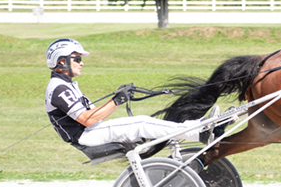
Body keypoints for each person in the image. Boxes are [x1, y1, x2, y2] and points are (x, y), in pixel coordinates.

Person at [44, 38, 204, 149]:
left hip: (92, 131)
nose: (82, 63)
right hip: (87, 135)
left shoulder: (64, 85)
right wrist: (117, 100)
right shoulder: (59, 89)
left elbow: (92, 115)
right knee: (141, 123)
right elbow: (88, 119)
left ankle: (196, 126)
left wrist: (117, 98)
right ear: (62, 61)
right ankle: (197, 132)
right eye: (77, 59)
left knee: (143, 123)